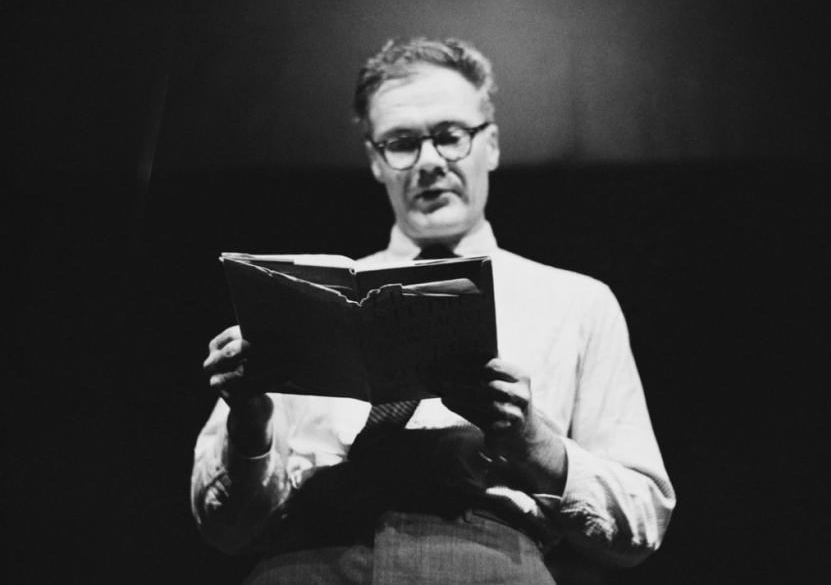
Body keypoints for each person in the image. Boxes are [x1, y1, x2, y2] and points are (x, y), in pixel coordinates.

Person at [193, 37, 675, 584]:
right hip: (304, 561)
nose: (428, 163)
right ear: (376, 160)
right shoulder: (299, 296)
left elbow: (644, 516)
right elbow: (225, 529)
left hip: (486, 562)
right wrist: (250, 425)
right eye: (402, 143)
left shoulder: (576, 301)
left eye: (450, 137)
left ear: (490, 145)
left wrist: (531, 441)